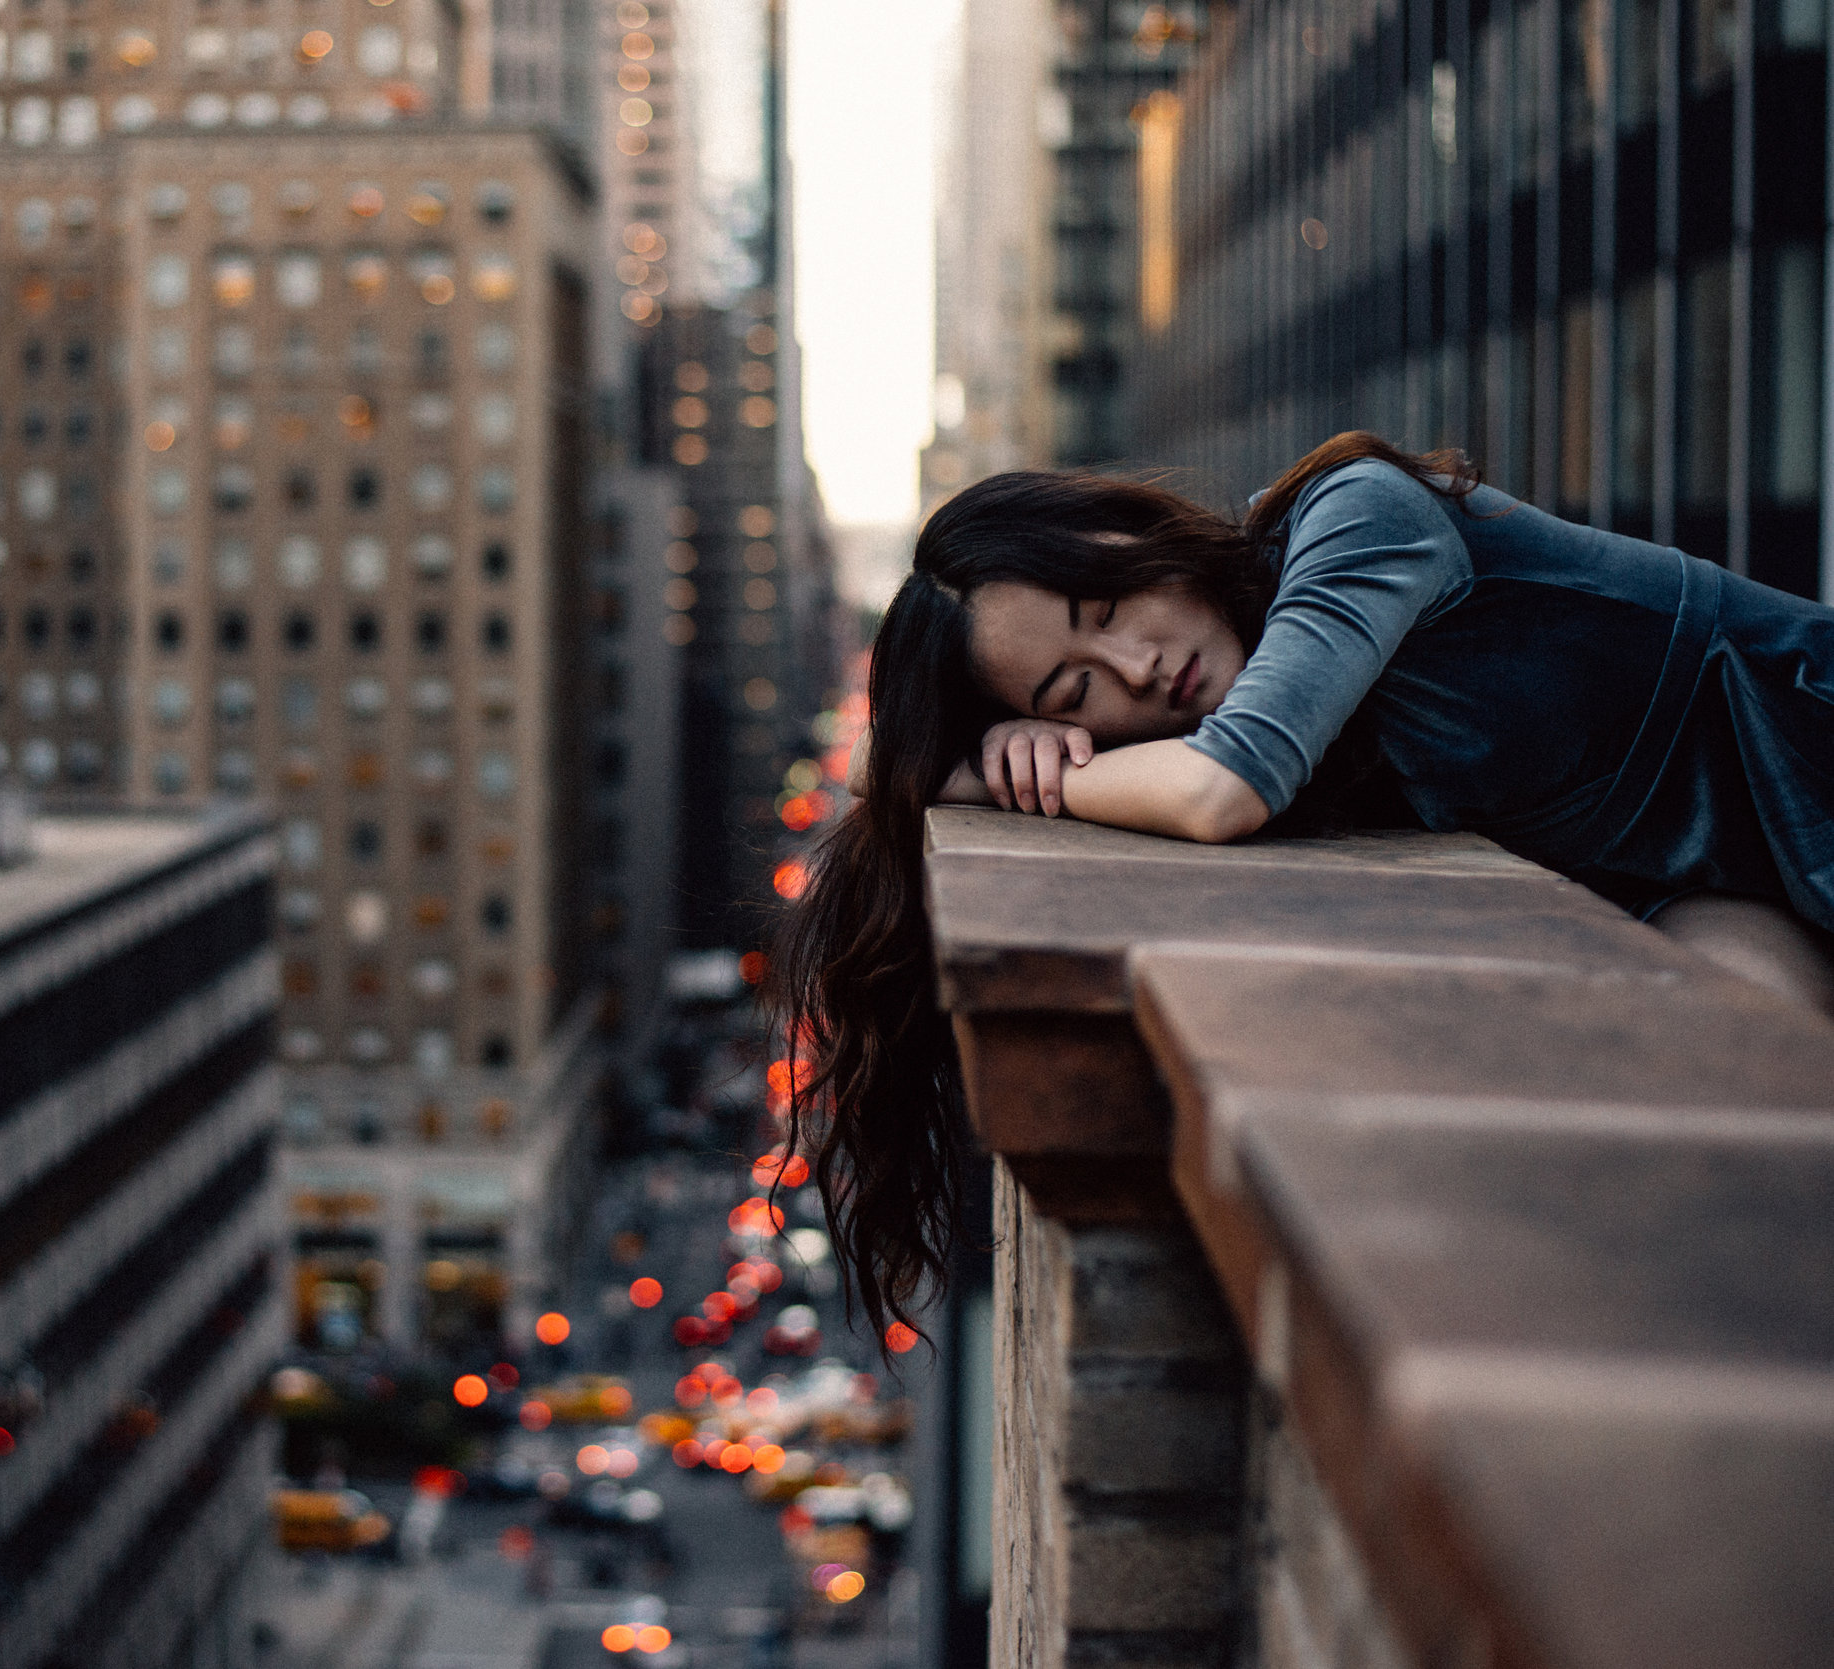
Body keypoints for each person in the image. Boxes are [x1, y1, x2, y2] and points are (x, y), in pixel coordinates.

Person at [774, 430, 1834, 1345]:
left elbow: (1225, 788)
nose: (1137, 668)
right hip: (1712, 879)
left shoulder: (1356, 516)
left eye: (1107, 604)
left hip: (1807, 764)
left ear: (1135, 533)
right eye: (1074, 689)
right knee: (1740, 1099)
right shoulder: (1288, 715)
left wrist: (1003, 775)